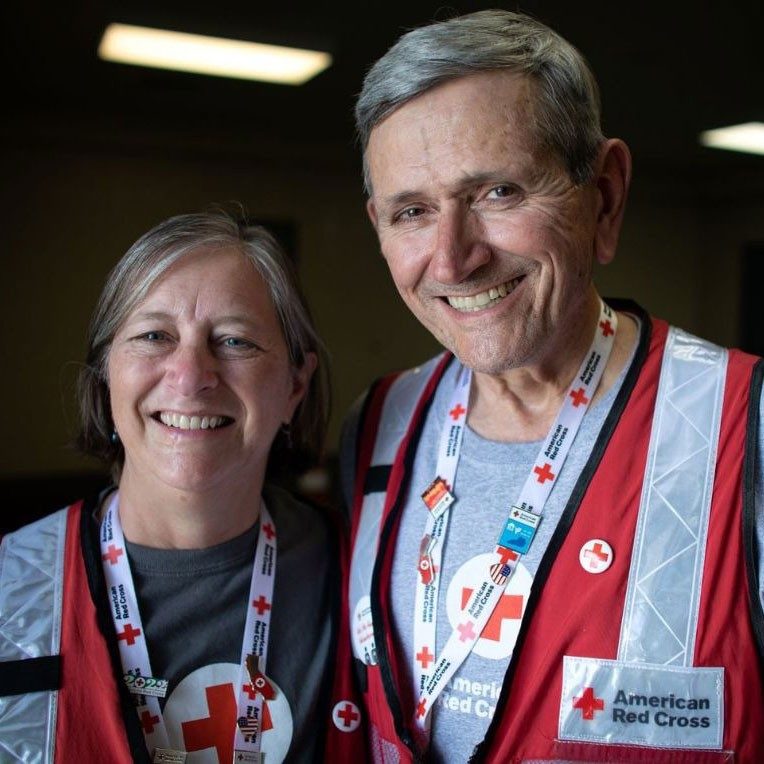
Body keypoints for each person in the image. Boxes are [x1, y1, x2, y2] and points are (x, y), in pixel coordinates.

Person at [343, 10, 764, 763]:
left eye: (499, 192)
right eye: (412, 212)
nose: (452, 259)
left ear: (604, 196)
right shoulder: (379, 423)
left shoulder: (746, 425)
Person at [0, 210, 364, 762]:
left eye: (236, 342)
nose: (191, 376)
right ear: (105, 374)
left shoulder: (365, 572)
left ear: (295, 384)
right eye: (154, 336)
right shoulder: (12, 588)